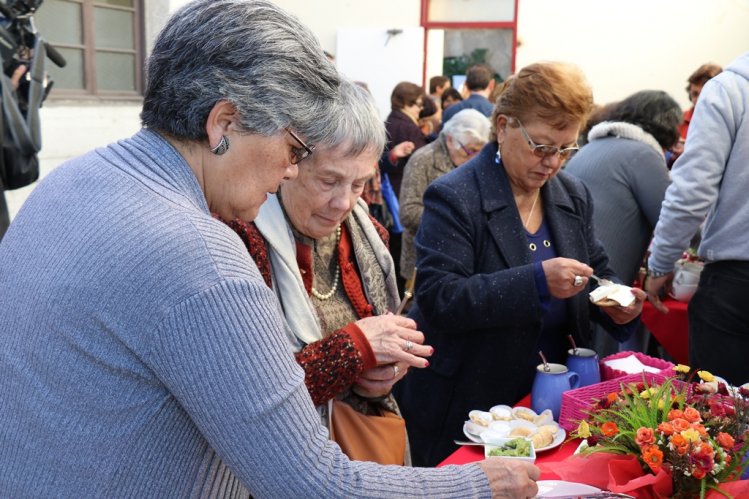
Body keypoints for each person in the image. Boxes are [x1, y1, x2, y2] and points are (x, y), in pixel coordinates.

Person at [0, 1, 540, 497]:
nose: (288, 170)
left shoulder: (70, 180)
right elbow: (312, 484)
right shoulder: (201, 255)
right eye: (293, 147)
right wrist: (476, 485)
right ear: (224, 124)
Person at [395, 61, 646, 467]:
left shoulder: (571, 194)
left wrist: (616, 303)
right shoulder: (455, 196)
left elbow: (595, 265)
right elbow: (439, 297)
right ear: (503, 126)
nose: (553, 162)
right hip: (472, 407)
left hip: (550, 407)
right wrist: (537, 280)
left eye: (565, 149)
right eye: (542, 146)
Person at [218, 80, 429, 465]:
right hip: (279, 466)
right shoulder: (243, 239)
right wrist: (356, 349)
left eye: (360, 183)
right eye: (329, 181)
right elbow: (250, 396)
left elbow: (388, 331)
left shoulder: (370, 235)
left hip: (361, 453)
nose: (344, 202)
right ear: (289, 163)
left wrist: (389, 369)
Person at [646, 52, 749, 386]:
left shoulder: (730, 89)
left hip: (737, 283)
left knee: (721, 419)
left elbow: (691, 191)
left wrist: (659, 265)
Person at [565, 90, 682, 356]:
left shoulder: (593, 146)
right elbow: (672, 217)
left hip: (574, 273)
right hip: (605, 280)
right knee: (597, 358)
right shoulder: (643, 155)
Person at [399, 108, 491, 285]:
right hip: (424, 263)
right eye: (470, 150)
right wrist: (454, 221)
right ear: (450, 140)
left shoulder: (475, 161)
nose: (475, 158)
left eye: (480, 151)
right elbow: (408, 212)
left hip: (467, 262)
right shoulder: (423, 160)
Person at [382, 82, 429, 292]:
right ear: (406, 103)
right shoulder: (408, 127)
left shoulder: (390, 121)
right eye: (417, 104)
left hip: (390, 192)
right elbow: (422, 160)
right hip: (400, 193)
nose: (420, 109)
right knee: (401, 247)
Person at [669, 63, 722, 167]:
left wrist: (689, 152)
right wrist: (673, 154)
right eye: (695, 94)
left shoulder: (729, 122)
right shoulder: (678, 121)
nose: (698, 100)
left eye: (703, 94)